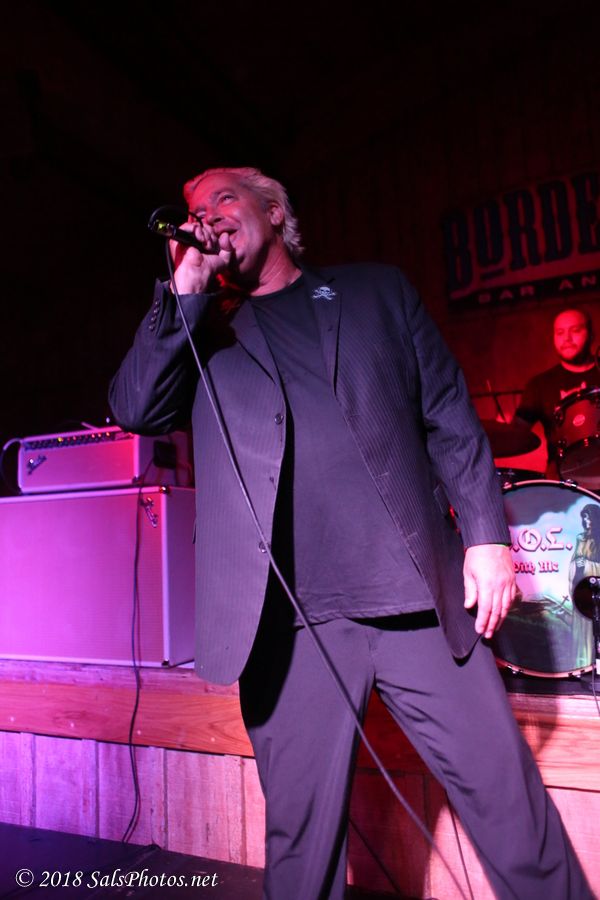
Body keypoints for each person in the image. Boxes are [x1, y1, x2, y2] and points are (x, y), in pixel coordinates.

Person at [109, 167, 592, 899]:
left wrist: (488, 538)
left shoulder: (376, 292)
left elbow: (451, 417)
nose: (205, 216)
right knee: (302, 851)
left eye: (224, 198)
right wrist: (185, 290)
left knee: (513, 811)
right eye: (195, 209)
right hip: (289, 626)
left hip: (419, 604)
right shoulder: (203, 335)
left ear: (274, 210)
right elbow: (136, 409)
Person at [514, 307, 600, 477]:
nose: (567, 338)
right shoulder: (539, 385)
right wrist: (503, 429)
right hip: (563, 477)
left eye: (575, 330)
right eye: (560, 332)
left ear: (591, 335)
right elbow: (516, 433)